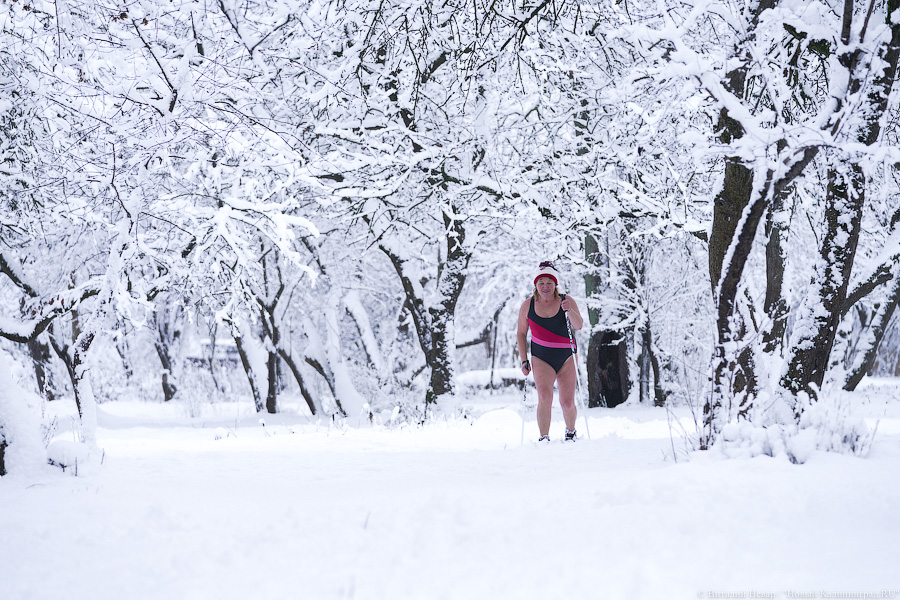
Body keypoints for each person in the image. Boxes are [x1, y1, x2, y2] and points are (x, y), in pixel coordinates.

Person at [517, 261, 584, 441]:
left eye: (549, 283)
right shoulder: (528, 305)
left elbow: (579, 325)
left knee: (567, 402)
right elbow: (521, 333)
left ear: (555, 284)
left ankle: (571, 432)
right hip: (541, 357)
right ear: (536, 285)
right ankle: (543, 437)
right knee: (545, 396)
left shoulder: (566, 301)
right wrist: (524, 360)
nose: (545, 287)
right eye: (541, 283)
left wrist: (569, 311)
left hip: (567, 356)